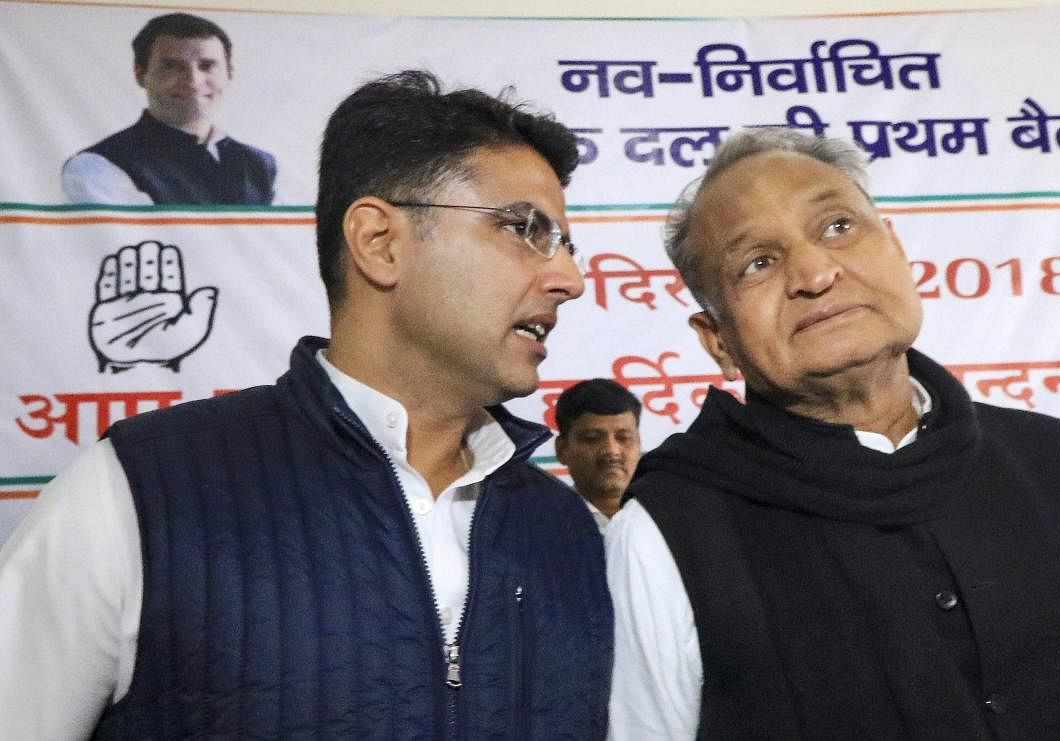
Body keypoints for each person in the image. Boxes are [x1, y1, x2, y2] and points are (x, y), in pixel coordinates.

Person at [1, 70, 612, 738]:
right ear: (380, 242)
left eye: (565, 245)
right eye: (524, 229)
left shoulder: (566, 529)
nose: (570, 280)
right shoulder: (146, 488)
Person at [605, 129, 1060, 740]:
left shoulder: (1059, 462)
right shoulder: (668, 531)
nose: (816, 273)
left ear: (896, 248)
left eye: (837, 227)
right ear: (717, 340)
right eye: (758, 263)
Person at [61, 13, 276, 205]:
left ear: (229, 74)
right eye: (172, 66)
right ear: (140, 74)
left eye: (207, 66)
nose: (193, 81)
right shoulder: (97, 167)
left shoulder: (262, 165)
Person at [554, 378, 643, 532]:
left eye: (623, 438)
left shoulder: (664, 517)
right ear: (562, 449)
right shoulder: (541, 523)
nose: (611, 451)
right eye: (592, 438)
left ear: (639, 445)